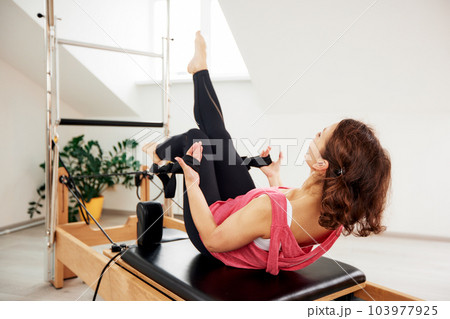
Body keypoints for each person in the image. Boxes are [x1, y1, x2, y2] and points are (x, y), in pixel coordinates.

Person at [143, 32, 391, 275]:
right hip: (245, 217)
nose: (314, 135)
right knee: (219, 139)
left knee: (197, 138)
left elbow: (212, 240)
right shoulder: (335, 209)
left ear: (322, 165)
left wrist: (192, 183)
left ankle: (158, 150)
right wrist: (274, 179)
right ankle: (199, 69)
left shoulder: (268, 209)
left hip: (212, 233)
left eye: (320, 135)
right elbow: (286, 224)